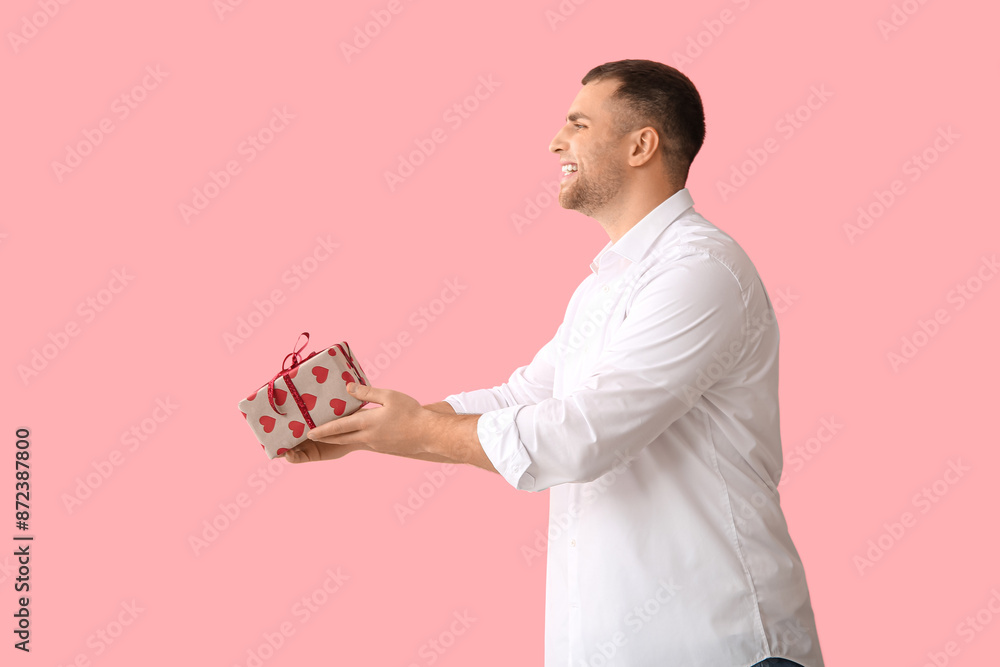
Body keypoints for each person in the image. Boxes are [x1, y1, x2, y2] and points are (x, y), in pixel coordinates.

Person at [284, 59, 824, 667]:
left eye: (578, 124)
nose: (555, 142)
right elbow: (528, 396)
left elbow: (581, 438)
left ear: (640, 144)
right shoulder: (606, 285)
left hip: (722, 646)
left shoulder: (700, 272)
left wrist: (416, 429)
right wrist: (369, 429)